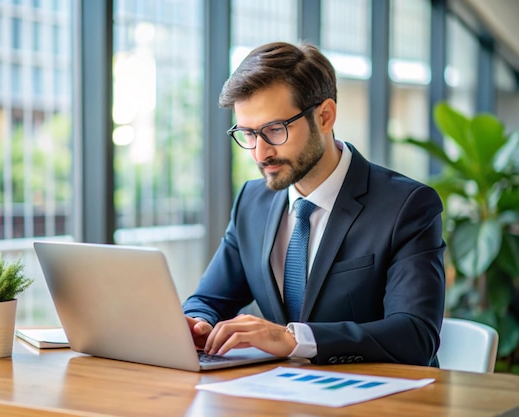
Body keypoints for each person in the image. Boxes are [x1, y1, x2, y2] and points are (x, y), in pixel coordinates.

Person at [182, 41, 446, 366]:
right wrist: (197, 323)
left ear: (325, 116)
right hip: (280, 397)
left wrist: (293, 339)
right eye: (248, 134)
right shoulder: (252, 201)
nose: (259, 153)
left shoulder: (407, 206)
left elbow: (416, 335)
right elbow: (209, 299)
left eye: (274, 130)